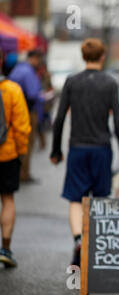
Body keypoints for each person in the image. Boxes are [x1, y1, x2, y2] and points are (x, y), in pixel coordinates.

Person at [50, 38, 119, 266]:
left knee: (76, 199)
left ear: (83, 57)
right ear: (102, 57)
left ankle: (78, 239)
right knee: (100, 199)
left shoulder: (71, 82)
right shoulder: (110, 83)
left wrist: (56, 150)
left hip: (77, 148)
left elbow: (60, 119)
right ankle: (96, 248)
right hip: (102, 150)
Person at [0, 49, 31, 268]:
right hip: (6, 153)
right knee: (7, 199)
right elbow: (21, 128)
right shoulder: (12, 90)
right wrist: (21, 152)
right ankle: (5, 249)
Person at [8, 49, 45, 183]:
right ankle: (24, 174)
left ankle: (17, 172)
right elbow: (33, 94)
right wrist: (43, 97)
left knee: (16, 143)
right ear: (34, 58)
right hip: (27, 111)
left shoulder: (17, 69)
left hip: (13, 111)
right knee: (27, 143)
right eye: (39, 59)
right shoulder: (28, 72)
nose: (39, 63)